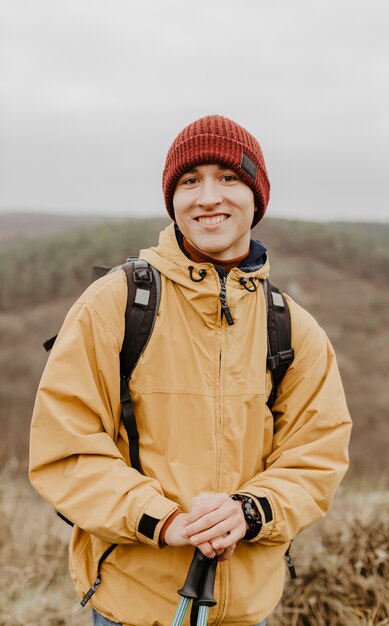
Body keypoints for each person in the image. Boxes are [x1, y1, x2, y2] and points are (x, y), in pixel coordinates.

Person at [29, 114, 352, 626]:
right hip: (133, 605)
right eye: (189, 181)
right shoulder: (114, 304)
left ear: (256, 197)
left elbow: (317, 456)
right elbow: (64, 448)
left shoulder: (291, 326)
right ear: (172, 199)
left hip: (248, 610)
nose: (208, 197)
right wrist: (165, 521)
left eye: (228, 178)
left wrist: (250, 511)